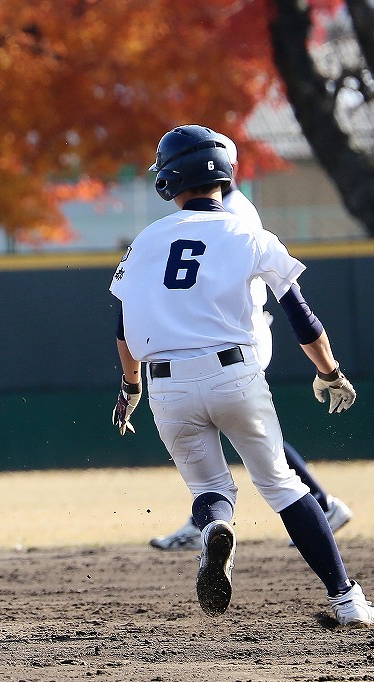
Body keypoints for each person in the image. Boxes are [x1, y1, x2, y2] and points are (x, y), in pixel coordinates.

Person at [109, 124, 374, 626]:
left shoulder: (146, 240)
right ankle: (346, 600)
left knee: (209, 489)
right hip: (233, 374)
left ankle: (215, 527)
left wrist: (130, 385)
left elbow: (122, 325)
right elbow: (302, 317)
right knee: (281, 485)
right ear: (225, 173)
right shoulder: (248, 232)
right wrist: (330, 372)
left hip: (168, 383)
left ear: (169, 180)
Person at [148, 133, 352, 551]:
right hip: (228, 329)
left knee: (231, 419)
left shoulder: (232, 211)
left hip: (236, 330)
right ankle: (215, 515)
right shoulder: (229, 207)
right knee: (233, 419)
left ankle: (305, 503)